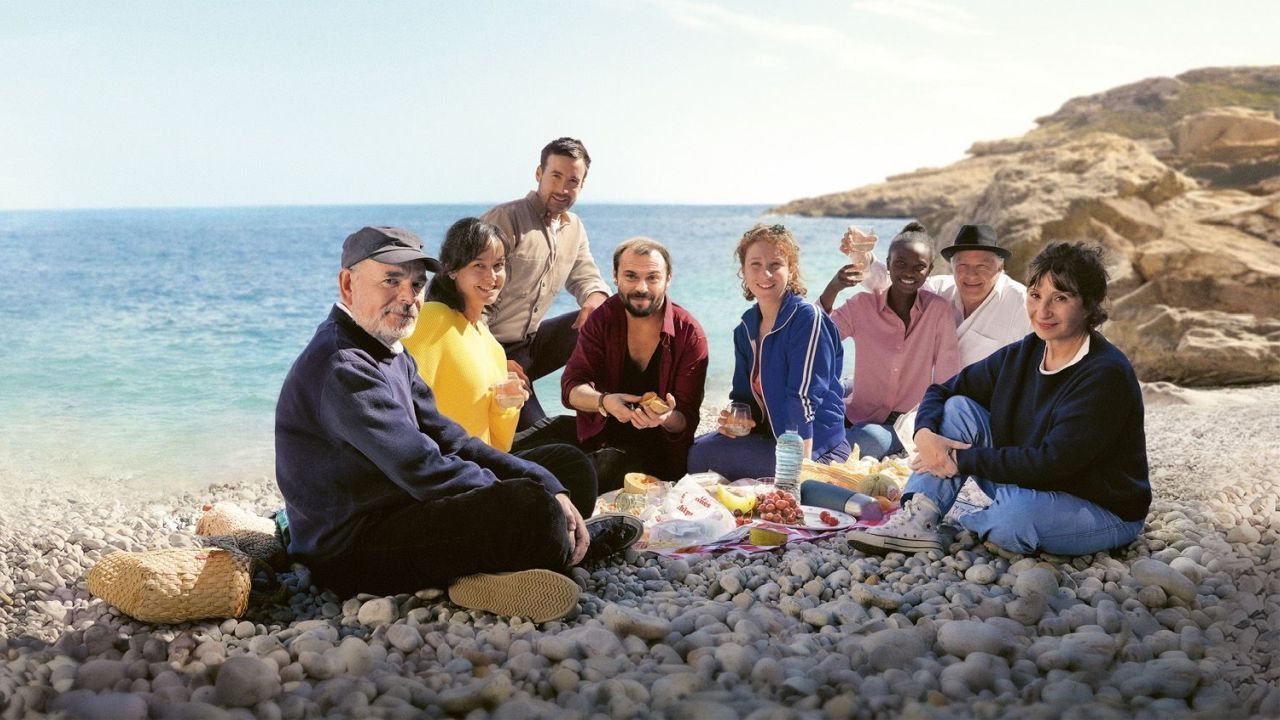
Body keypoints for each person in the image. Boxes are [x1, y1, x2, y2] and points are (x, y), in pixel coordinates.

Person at [275, 226, 639, 622]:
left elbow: (453, 440)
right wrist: (532, 495)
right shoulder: (343, 365)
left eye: (415, 285)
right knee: (534, 510)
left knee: (567, 471)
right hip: (351, 546)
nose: (407, 297)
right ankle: (514, 562)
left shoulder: (388, 349)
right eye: (391, 281)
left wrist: (547, 484)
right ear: (348, 284)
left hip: (399, 504)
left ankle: (499, 564)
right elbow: (422, 467)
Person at [848, 242, 1150, 557]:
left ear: (1088, 305)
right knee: (958, 408)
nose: (1042, 311)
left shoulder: (1104, 374)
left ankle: (969, 524)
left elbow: (1053, 463)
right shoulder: (1026, 352)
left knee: (1016, 517)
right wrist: (924, 435)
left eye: (1060, 298)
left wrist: (957, 458)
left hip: (1096, 505)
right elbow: (942, 390)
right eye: (1035, 296)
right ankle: (919, 517)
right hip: (1028, 482)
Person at [516, 237, 708, 490]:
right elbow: (572, 387)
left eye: (652, 277)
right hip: (599, 432)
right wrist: (603, 401)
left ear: (668, 279)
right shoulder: (603, 318)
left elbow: (686, 420)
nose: (641, 287)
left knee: (587, 466)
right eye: (630, 276)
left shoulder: (689, 334)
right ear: (615, 277)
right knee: (524, 442)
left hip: (652, 455)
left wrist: (665, 417)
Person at [687, 224, 850, 481]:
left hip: (815, 448)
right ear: (744, 271)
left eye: (775, 264)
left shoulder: (807, 319)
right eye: (755, 264)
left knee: (699, 459)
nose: (765, 274)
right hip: (770, 437)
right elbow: (743, 397)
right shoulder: (745, 328)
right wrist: (736, 421)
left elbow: (803, 400)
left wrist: (798, 473)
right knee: (697, 451)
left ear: (791, 269)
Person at [481, 137, 611, 430]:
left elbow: (586, 276)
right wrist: (491, 360)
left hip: (532, 344)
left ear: (582, 184)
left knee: (608, 319)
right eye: (556, 176)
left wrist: (596, 300)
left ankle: (606, 412)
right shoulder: (505, 219)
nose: (563, 188)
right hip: (490, 347)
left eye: (573, 180)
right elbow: (464, 297)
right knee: (539, 435)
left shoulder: (573, 227)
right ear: (539, 174)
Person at [819, 221, 960, 459]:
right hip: (856, 411)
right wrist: (832, 289)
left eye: (919, 267)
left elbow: (947, 377)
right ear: (887, 265)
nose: (908, 272)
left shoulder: (938, 311)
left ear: (929, 270)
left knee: (866, 440)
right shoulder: (862, 305)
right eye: (901, 263)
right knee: (813, 422)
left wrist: (933, 429)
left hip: (903, 423)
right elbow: (818, 339)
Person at [852, 223, 1031, 368]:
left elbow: (1045, 355)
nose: (971, 275)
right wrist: (862, 257)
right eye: (962, 266)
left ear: (1000, 268)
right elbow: (892, 285)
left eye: (982, 267)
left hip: (980, 406)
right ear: (951, 267)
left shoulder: (1022, 303)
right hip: (927, 395)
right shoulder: (940, 290)